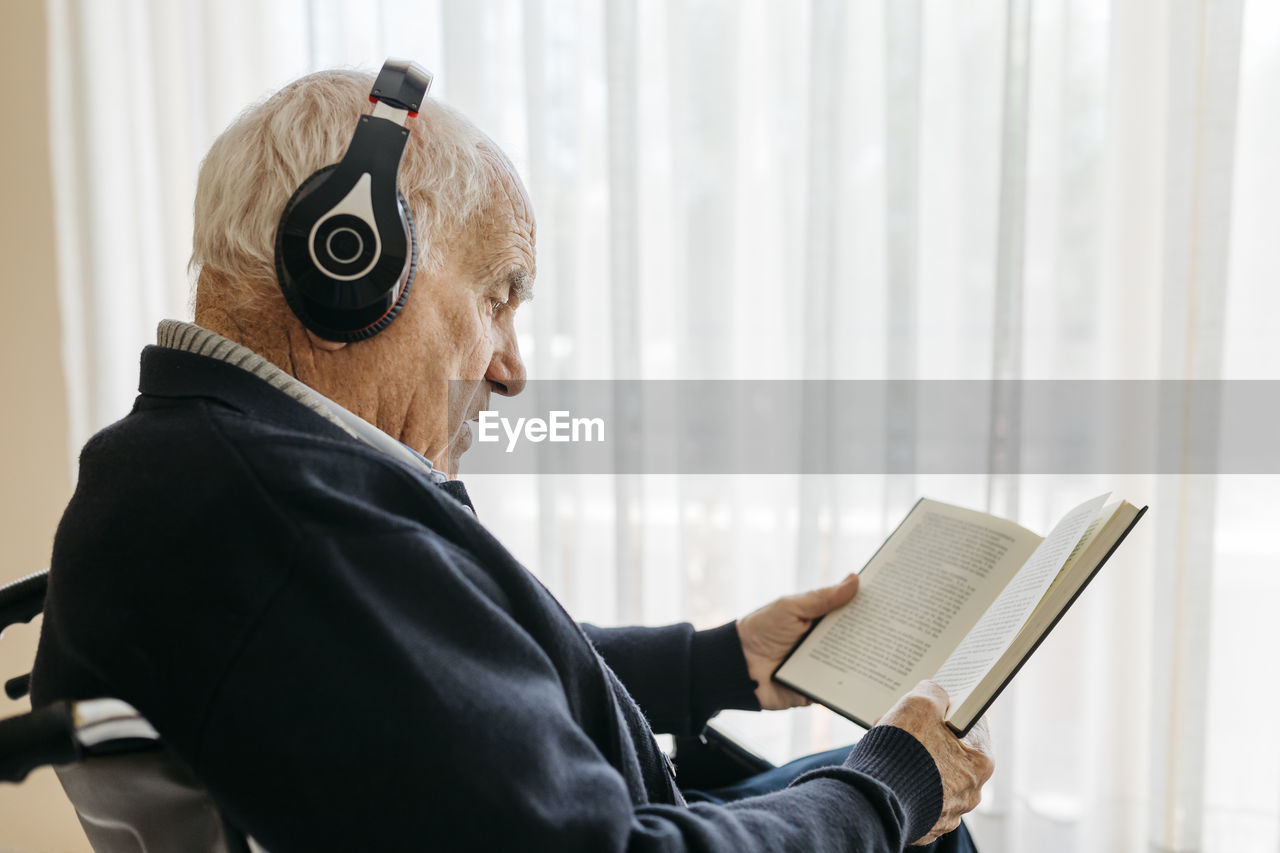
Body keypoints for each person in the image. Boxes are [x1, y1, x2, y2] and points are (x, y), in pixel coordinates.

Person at [32, 66, 992, 851]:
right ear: (351, 258)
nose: (510, 366)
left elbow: (433, 686)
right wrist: (886, 791)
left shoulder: (221, 465)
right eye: (499, 296)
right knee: (911, 817)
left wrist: (714, 664)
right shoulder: (281, 521)